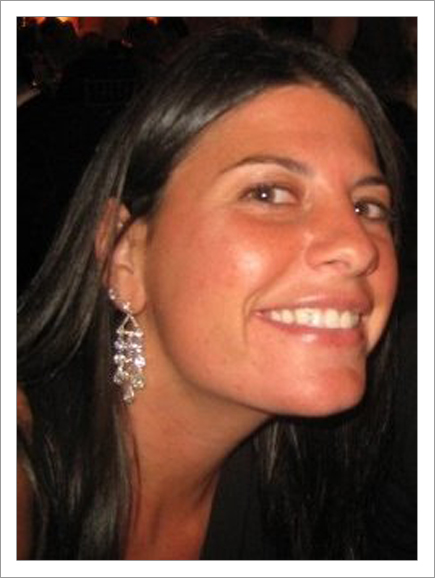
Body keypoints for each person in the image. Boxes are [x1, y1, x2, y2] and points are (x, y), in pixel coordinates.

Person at [18, 26, 405, 560]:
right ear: (124, 255)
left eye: (369, 207)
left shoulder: (317, 481)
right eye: (268, 193)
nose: (358, 247)